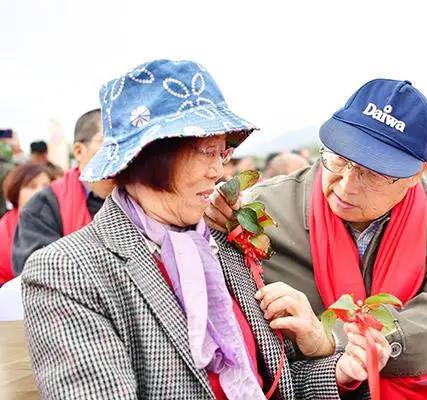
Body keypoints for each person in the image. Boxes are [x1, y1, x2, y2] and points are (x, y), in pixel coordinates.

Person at [22, 59, 389, 400]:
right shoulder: (68, 270)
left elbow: (271, 383)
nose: (219, 172)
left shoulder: (222, 246)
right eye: (205, 152)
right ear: (149, 154)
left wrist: (338, 373)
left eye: (222, 153)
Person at [207, 79, 427, 399]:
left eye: (373, 173)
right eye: (339, 160)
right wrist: (209, 222)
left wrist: (333, 340)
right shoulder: (264, 209)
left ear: (417, 173)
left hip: (423, 384)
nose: (346, 186)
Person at [11, 109, 115, 275]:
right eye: (110, 141)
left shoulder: (147, 197)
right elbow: (39, 278)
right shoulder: (41, 208)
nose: (122, 151)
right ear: (79, 151)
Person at [0, 163, 50, 286]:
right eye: (32, 186)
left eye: (46, 186)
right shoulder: (3, 228)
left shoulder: (57, 220)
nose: (41, 192)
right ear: (16, 191)